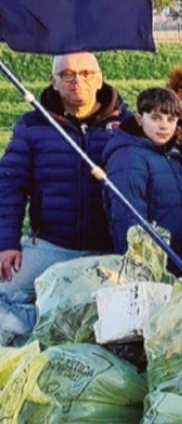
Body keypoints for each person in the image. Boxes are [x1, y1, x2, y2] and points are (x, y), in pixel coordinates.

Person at [0, 52, 133, 298]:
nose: (77, 81)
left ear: (100, 79)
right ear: (54, 82)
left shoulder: (128, 125)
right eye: (67, 74)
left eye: (86, 73)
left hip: (108, 249)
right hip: (51, 245)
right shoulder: (32, 125)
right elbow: (9, 186)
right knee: (4, 291)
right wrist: (7, 244)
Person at [102, 88, 182, 264]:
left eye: (171, 119)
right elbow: (127, 219)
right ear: (139, 119)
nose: (164, 126)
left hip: (174, 260)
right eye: (155, 118)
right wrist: (138, 265)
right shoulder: (128, 158)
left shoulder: (170, 155)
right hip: (149, 264)